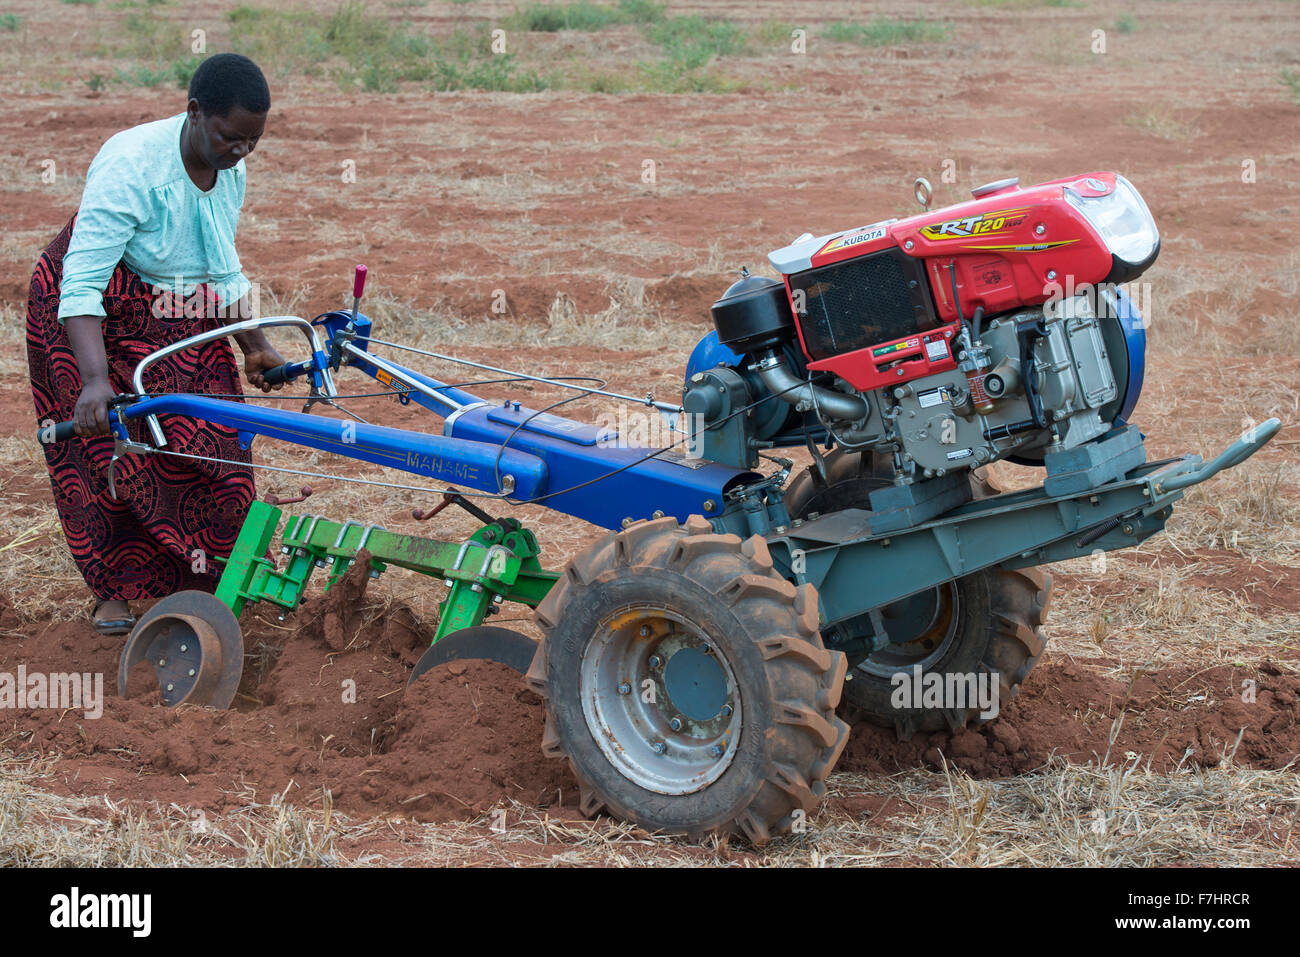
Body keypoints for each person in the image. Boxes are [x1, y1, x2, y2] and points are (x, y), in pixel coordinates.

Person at [26, 52, 285, 634]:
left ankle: (211, 575)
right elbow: (82, 283)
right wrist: (94, 380)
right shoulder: (131, 166)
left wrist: (256, 346)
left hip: (173, 298)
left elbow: (222, 267)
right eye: (230, 138)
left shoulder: (230, 164)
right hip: (90, 309)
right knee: (106, 439)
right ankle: (113, 590)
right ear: (194, 113)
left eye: (252, 142)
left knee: (214, 427)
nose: (241, 153)